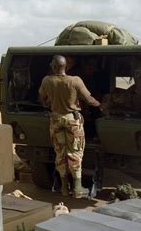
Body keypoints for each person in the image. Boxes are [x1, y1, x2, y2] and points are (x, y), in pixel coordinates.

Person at [38, 55, 101, 198]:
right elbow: (89, 99)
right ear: (65, 66)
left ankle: (64, 188)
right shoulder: (75, 80)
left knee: (60, 153)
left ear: (53, 66)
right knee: (75, 152)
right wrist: (101, 105)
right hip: (72, 120)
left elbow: (42, 98)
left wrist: (48, 104)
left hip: (55, 119)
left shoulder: (47, 80)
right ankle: (78, 188)